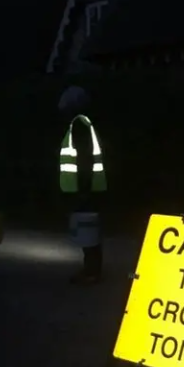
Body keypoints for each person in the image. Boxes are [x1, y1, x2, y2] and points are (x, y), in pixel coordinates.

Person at [58, 85, 108, 285]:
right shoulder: (85, 124)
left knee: (88, 231)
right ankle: (92, 269)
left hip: (85, 189)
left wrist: (83, 190)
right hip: (89, 187)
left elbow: (84, 159)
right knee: (91, 230)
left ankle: (91, 272)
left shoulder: (78, 125)